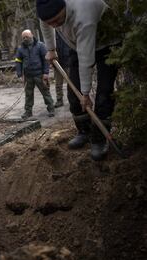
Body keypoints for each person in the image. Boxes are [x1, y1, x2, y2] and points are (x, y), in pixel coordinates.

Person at [37, 0, 120, 160]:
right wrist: (51, 49)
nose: (54, 25)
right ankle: (84, 131)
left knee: (104, 93)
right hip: (77, 44)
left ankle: (99, 139)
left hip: (108, 43)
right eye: (50, 22)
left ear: (65, 7)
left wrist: (86, 93)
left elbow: (86, 59)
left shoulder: (84, 16)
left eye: (57, 20)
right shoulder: (46, 9)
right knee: (73, 94)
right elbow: (45, 25)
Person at [15, 29, 55, 119]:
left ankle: (51, 109)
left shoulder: (40, 46)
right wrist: (19, 73)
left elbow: (46, 60)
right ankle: (28, 112)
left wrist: (45, 73)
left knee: (45, 92)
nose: (25, 39)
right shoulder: (21, 48)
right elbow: (18, 61)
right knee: (28, 95)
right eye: (24, 37)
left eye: (27, 37)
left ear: (32, 35)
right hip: (28, 76)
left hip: (39, 74)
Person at [53, 32, 70, 107]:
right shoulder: (53, 34)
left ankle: (72, 99)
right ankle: (59, 100)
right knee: (58, 84)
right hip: (57, 63)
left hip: (68, 62)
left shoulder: (67, 32)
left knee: (71, 83)